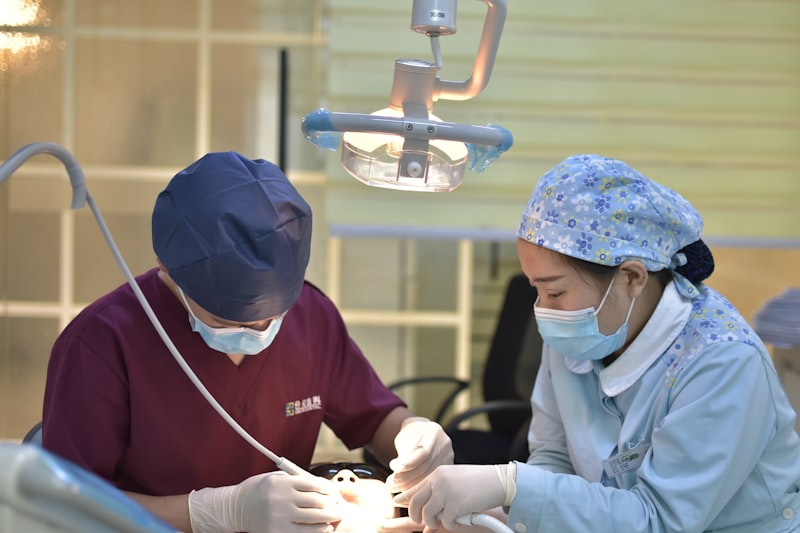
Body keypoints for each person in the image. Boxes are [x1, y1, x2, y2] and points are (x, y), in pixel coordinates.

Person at [384, 154, 800, 533]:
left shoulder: (722, 362)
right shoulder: (581, 330)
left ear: (632, 278)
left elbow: (659, 521)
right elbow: (555, 460)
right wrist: (498, 518)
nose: (543, 310)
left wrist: (510, 485)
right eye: (535, 289)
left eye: (555, 291)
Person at [41, 151, 453, 533]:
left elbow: (374, 418)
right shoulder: (101, 343)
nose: (258, 333)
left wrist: (412, 434)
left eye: (275, 316)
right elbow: (67, 505)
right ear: (168, 267)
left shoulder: (312, 316)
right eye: (226, 319)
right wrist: (214, 512)